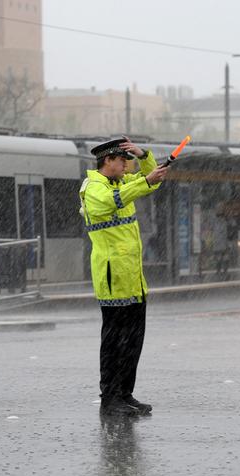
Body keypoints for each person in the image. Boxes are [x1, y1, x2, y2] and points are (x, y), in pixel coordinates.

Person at [79, 136, 169, 417]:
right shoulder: (94, 188)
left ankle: (125, 394)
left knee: (133, 340)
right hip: (112, 277)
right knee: (114, 341)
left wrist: (144, 156)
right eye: (123, 160)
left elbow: (151, 181)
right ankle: (110, 398)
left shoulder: (120, 182)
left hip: (132, 278)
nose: (127, 165)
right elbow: (114, 201)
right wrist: (144, 180)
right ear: (108, 161)